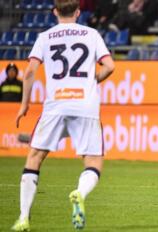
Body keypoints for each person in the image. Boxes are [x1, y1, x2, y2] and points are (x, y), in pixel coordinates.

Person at [11, 0, 115, 231]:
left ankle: (23, 218)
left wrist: (24, 105)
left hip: (56, 104)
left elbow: (29, 72)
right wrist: (92, 80)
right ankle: (80, 192)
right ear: (78, 12)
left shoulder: (45, 37)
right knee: (93, 161)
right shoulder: (92, 34)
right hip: (85, 105)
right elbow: (109, 66)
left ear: (54, 11)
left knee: (35, 157)